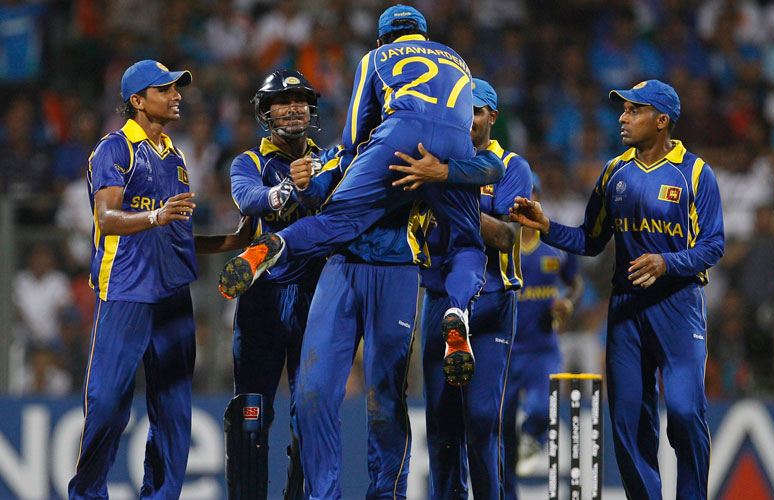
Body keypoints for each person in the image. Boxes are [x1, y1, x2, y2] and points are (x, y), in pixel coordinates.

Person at [222, 6, 506, 499]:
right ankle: (346, 494)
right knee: (364, 399)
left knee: (339, 397)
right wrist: (311, 183)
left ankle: (273, 247)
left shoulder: (361, 139)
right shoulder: (464, 140)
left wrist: (318, 181)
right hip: (369, 269)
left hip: (368, 268)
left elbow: (341, 167)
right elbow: (490, 186)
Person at [510, 80, 724, 500]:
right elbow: (591, 240)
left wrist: (668, 262)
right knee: (628, 422)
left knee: (683, 411)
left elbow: (713, 245)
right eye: (623, 110)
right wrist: (547, 226)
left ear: (662, 120)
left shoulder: (696, 173)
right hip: (625, 310)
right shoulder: (614, 172)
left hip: (678, 307)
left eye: (633, 110)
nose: (622, 118)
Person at [68, 60, 249, 500]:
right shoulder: (115, 148)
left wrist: (235, 240)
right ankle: (87, 495)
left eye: (176, 88)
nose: (177, 95)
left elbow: (178, 236)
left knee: (174, 414)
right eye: (165, 89)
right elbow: (106, 219)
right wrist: (155, 215)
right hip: (126, 294)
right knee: (109, 407)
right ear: (137, 100)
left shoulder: (176, 155)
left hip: (172, 298)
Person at [223, 68, 341, 500]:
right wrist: (289, 189)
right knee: (251, 412)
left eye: (300, 100)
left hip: (317, 298)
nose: (292, 107)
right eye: (282, 100)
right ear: (265, 112)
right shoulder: (249, 162)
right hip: (263, 302)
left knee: (309, 415)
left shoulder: (329, 158)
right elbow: (248, 198)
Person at [415, 78, 532, 500]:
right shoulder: (427, 161)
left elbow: (507, 237)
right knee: (442, 428)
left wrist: (445, 195)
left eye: (477, 112)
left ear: (492, 117)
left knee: (482, 421)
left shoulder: (511, 167)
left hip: (492, 304)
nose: (468, 122)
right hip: (439, 301)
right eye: (461, 113)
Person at [501, 180, 585, 498]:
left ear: (537, 202)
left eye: (529, 198)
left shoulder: (556, 248)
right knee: (501, 433)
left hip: (542, 349)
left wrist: (568, 303)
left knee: (540, 409)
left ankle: (533, 436)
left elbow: (574, 284)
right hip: (506, 351)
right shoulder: (500, 246)